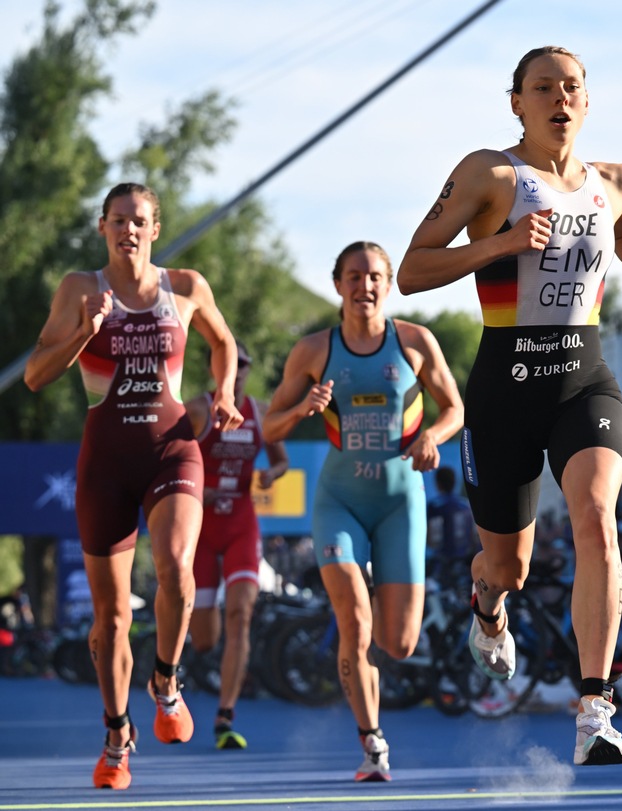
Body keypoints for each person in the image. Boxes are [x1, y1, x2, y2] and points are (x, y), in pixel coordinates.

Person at [397, 45, 622, 766]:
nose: (560, 97)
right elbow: (411, 269)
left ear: (587, 103)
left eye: (572, 87)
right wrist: (497, 243)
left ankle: (594, 708)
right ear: (517, 102)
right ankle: (487, 607)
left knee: (595, 517)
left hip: (582, 381)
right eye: (543, 87)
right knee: (509, 568)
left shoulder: (613, 179)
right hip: (504, 389)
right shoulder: (489, 173)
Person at [24, 182, 243, 790]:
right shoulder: (79, 289)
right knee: (112, 617)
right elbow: (37, 376)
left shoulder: (187, 287)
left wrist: (223, 391)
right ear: (103, 228)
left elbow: (223, 343)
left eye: (139, 220)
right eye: (117, 220)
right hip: (106, 464)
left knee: (176, 565)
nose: (128, 229)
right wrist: (82, 332)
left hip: (172, 449)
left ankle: (166, 683)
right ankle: (118, 734)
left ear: (154, 228)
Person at [263, 241, 463, 782]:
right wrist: (304, 408)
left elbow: (455, 408)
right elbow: (269, 426)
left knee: (397, 642)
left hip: (400, 501)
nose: (364, 286)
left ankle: (374, 645)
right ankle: (372, 743)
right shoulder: (313, 352)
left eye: (374, 276)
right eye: (353, 277)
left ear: (388, 284)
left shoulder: (415, 342)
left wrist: (432, 438)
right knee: (353, 619)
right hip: (340, 500)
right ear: (338, 285)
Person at [184, 340, 289, 750]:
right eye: (230, 364)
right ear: (216, 368)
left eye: (244, 364)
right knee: (206, 638)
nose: (238, 371)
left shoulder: (261, 413)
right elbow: (170, 459)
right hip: (202, 528)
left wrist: (272, 474)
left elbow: (281, 460)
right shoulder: (196, 410)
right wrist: (197, 488)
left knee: (241, 612)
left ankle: (225, 716)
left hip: (242, 522)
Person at [425, 466, 478, 588]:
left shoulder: (435, 506)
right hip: (464, 559)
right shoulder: (465, 505)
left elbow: (431, 535)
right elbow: (474, 534)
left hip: (442, 561)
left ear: (438, 483)